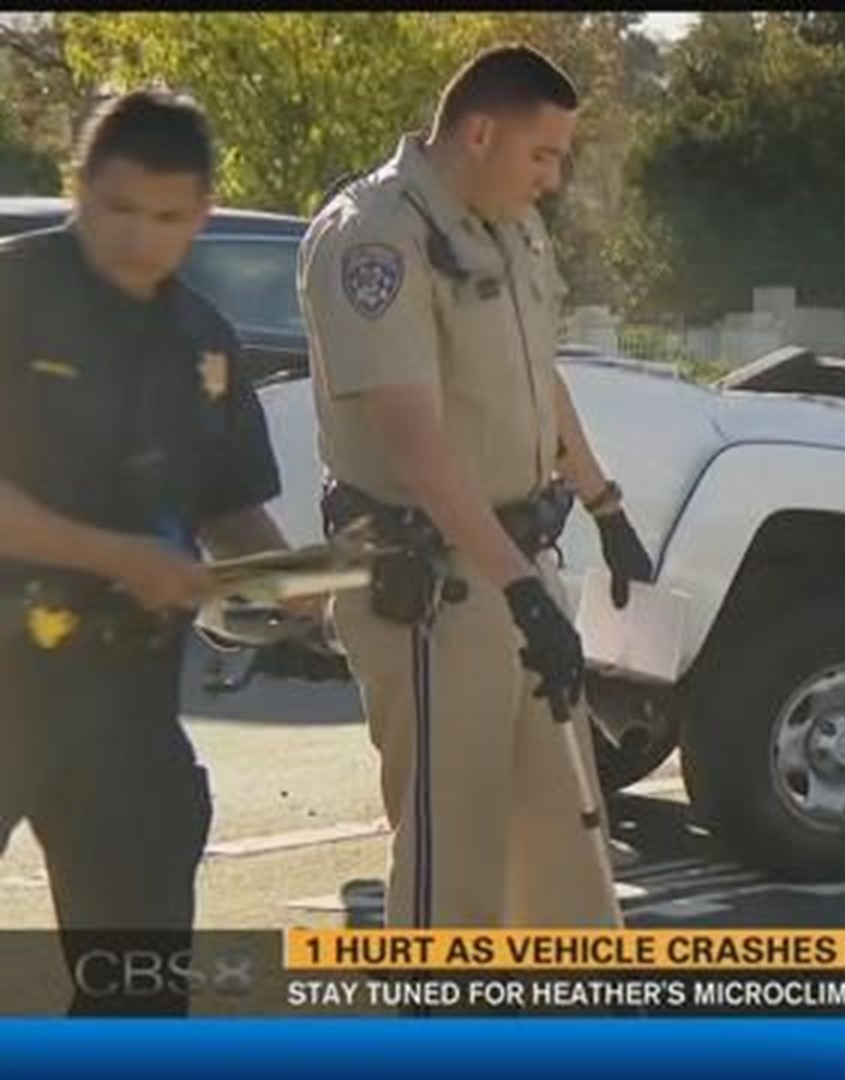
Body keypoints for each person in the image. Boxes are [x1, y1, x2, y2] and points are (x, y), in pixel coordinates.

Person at [298, 44, 656, 931]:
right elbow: (415, 442)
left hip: (511, 561)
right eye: (543, 156)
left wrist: (605, 505)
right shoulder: (377, 237)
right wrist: (520, 592)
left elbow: (541, 379)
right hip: (435, 583)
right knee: (453, 850)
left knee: (564, 832)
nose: (554, 178)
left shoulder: (503, 226)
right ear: (480, 132)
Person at [0, 90, 293, 1015]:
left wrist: (303, 590)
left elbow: (230, 504)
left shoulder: (202, 338)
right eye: (119, 208)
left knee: (140, 984)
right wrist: (118, 554)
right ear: (78, 186)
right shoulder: (12, 295)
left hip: (123, 705)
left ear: (202, 212)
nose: (139, 238)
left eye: (168, 218)